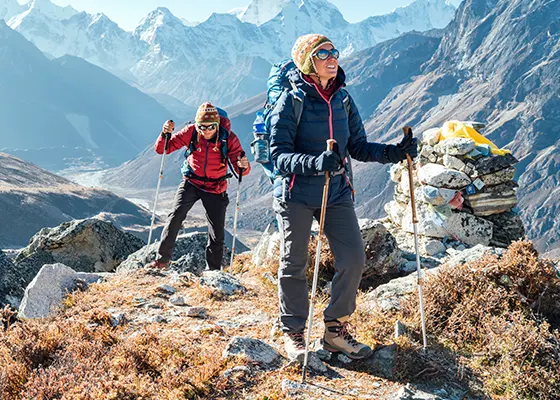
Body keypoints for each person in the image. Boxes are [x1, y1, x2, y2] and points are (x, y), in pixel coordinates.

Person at [269, 34, 418, 360]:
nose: (332, 57)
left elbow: (359, 147)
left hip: (335, 191)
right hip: (295, 193)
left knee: (353, 259)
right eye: (323, 53)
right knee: (294, 263)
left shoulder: (343, 100)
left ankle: (335, 331)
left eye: (334, 51)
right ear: (308, 62)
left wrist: (396, 152)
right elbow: (278, 156)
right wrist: (314, 162)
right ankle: (294, 332)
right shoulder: (291, 101)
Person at [148, 102, 251, 270]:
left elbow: (241, 169)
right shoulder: (191, 132)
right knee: (175, 217)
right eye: (202, 126)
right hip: (191, 181)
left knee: (216, 232)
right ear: (197, 124)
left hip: (216, 187)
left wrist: (243, 165)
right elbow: (163, 149)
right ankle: (161, 261)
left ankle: (213, 271)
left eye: (211, 126)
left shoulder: (228, 138)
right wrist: (164, 134)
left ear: (217, 124)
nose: (207, 130)